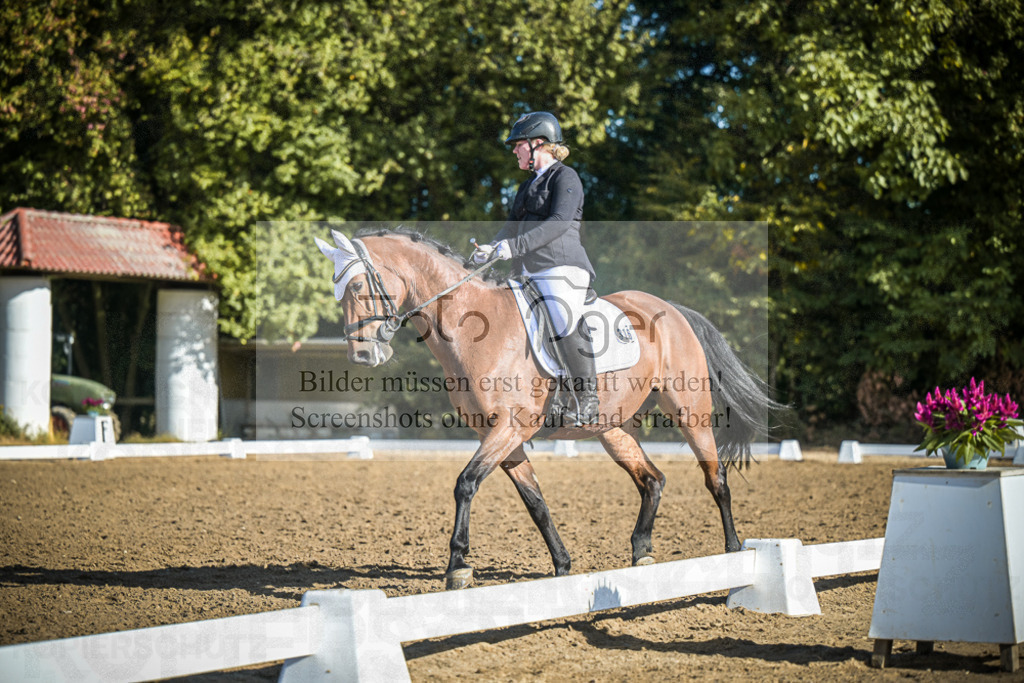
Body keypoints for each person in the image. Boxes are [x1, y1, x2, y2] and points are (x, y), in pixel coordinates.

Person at [473, 111, 600, 425]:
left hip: (561, 268)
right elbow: (511, 228)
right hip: (527, 272)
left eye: (519, 144)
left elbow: (559, 222)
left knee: (561, 314)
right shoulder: (526, 187)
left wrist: (514, 247)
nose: (515, 151)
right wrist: (490, 248)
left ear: (539, 143)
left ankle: (587, 398)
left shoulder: (566, 177)